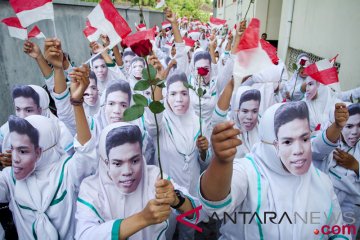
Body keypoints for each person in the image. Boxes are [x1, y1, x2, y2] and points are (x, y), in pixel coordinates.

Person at [199, 101, 350, 239]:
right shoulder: (249, 171)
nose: (298, 150)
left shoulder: (321, 182)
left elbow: (337, 230)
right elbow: (215, 206)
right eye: (287, 141)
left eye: (304, 139)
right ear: (269, 143)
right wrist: (221, 162)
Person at [0, 65, 98, 239]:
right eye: (13, 149)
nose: (14, 158)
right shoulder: (10, 178)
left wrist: (77, 103)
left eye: (23, 151)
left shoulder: (66, 172)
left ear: (41, 150)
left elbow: (86, 151)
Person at [75, 122, 201, 240]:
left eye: (135, 161)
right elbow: (84, 235)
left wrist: (176, 200)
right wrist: (142, 219)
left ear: (142, 156)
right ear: (106, 162)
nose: (127, 171)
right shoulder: (91, 188)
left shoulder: (155, 178)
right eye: (118, 163)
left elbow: (198, 214)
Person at [145, 71, 210, 239]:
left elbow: (205, 164)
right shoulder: (161, 122)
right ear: (165, 96)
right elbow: (152, 122)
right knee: (165, 231)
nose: (179, 99)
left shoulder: (198, 121)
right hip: (168, 193)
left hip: (191, 192)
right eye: (172, 94)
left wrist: (204, 151)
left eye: (184, 93)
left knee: (188, 232)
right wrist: (158, 82)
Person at [313, 102, 360, 238]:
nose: (355, 132)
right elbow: (316, 150)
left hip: (351, 210)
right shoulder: (327, 141)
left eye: (359, 125)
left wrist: (355, 166)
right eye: (349, 126)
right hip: (323, 208)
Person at [0, 85, 74, 167]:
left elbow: (67, 168)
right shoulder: (8, 128)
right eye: (18, 109)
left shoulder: (62, 132)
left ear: (42, 110)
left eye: (28, 110)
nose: (22, 116)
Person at [212, 79, 261, 158]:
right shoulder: (228, 126)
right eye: (245, 111)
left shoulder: (261, 126)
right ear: (236, 110)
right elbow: (217, 119)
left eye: (254, 111)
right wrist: (232, 83)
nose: (250, 117)